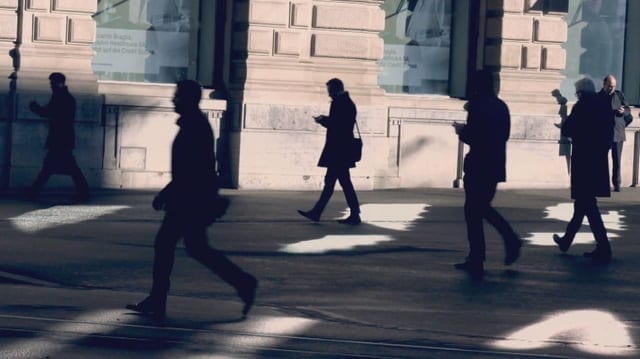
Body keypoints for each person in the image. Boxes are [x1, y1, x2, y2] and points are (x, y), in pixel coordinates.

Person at [126, 80, 257, 319]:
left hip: (189, 201)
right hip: (190, 199)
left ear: (188, 99)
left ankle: (159, 299)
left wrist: (166, 195)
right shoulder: (193, 125)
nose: (173, 100)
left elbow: (192, 170)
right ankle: (243, 283)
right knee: (195, 248)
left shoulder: (195, 127)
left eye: (177, 96)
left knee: (168, 246)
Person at [452, 70, 521, 279]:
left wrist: (461, 130)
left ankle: (493, 247)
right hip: (495, 164)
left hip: (479, 164)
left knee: (475, 210)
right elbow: (504, 135)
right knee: (479, 208)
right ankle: (481, 254)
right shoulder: (501, 106)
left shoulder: (478, 106)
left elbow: (474, 136)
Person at [553, 77, 614, 264]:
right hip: (598, 161)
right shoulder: (603, 105)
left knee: (588, 205)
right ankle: (566, 241)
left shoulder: (581, 107)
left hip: (584, 161)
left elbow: (569, 129)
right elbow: (609, 133)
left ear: (581, 92)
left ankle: (604, 247)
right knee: (583, 204)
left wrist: (566, 126)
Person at [298, 78, 362, 225]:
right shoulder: (347, 103)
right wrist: (326, 119)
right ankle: (320, 212)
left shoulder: (340, 103)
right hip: (341, 150)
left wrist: (323, 121)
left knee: (338, 183)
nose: (329, 95)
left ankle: (351, 213)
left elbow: (338, 125)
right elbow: (341, 123)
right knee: (337, 182)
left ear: (335, 89)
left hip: (338, 150)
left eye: (330, 91)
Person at [28, 72, 90, 202]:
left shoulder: (62, 98)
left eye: (52, 83)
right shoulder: (62, 97)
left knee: (55, 168)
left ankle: (34, 191)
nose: (50, 86)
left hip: (60, 138)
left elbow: (50, 112)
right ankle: (34, 191)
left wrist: (35, 108)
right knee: (58, 167)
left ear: (58, 83)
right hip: (62, 138)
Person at [598, 75, 632, 192]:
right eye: (609, 86)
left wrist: (623, 111)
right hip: (603, 133)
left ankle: (617, 184)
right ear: (604, 85)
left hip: (618, 132)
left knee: (617, 160)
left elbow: (628, 109)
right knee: (601, 159)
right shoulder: (598, 97)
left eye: (613, 86)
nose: (611, 89)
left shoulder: (619, 94)